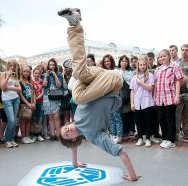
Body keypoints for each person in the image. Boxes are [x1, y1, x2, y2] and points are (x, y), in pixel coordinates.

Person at [57, 8, 139, 181]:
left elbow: (72, 146)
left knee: (79, 78)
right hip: (112, 84)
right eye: (67, 134)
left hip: (95, 75)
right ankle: (79, 65)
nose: (68, 130)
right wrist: (132, 175)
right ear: (74, 139)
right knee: (78, 95)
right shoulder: (93, 135)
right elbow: (119, 152)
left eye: (65, 129)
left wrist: (74, 163)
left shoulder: (77, 115)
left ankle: (74, 24)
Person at [130, 55, 154, 147]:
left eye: (144, 64)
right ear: (138, 66)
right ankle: (140, 138)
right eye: (141, 65)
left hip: (147, 103)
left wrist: (140, 82)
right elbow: (132, 91)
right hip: (137, 103)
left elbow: (150, 88)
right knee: (139, 122)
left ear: (146, 65)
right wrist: (132, 103)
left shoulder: (150, 76)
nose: (142, 66)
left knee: (147, 121)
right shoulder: (134, 77)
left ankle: (147, 138)